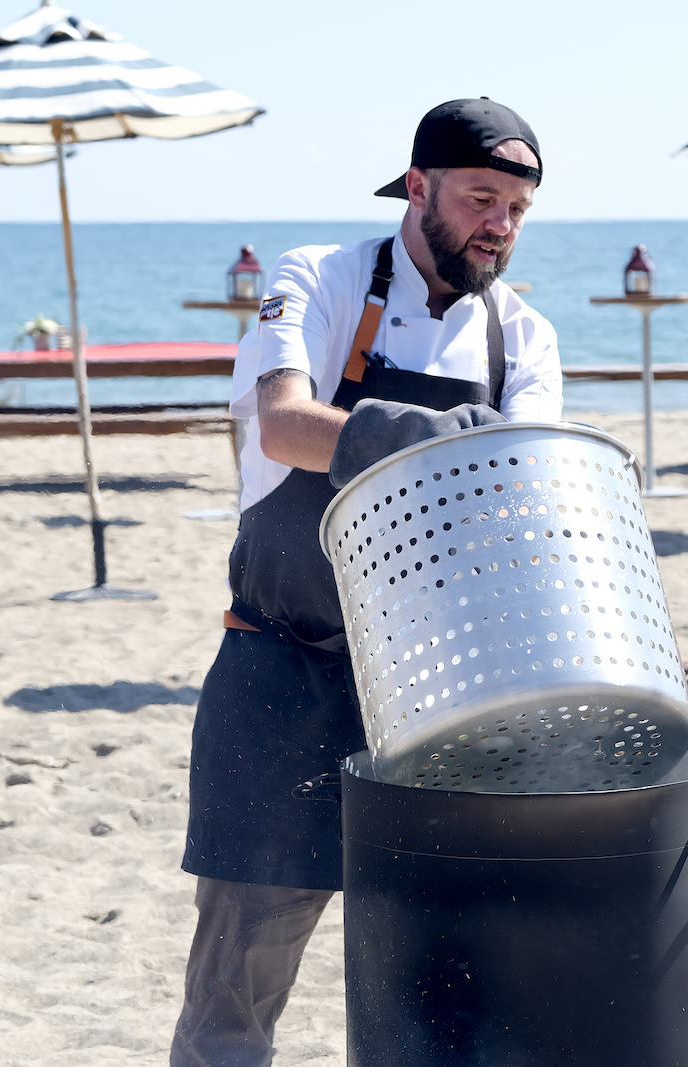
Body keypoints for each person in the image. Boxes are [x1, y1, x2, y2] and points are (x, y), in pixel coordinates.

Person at [171, 98, 563, 1067]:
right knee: (239, 973)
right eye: (481, 198)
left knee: (437, 971)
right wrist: (452, 439)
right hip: (280, 667)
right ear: (417, 186)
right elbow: (284, 427)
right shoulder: (319, 278)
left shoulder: (523, 338)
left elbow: (531, 491)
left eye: (516, 208)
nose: (499, 226)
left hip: (438, 689)